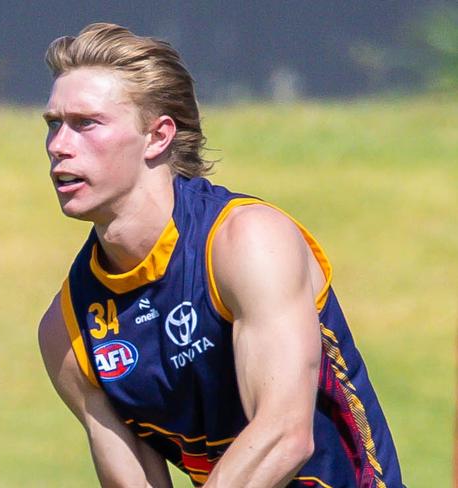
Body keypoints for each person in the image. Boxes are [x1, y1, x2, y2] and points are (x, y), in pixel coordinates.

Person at [38, 22, 404, 488]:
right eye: (53, 125)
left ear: (158, 136)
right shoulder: (67, 330)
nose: (58, 146)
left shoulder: (245, 242)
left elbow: (284, 436)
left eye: (85, 124)